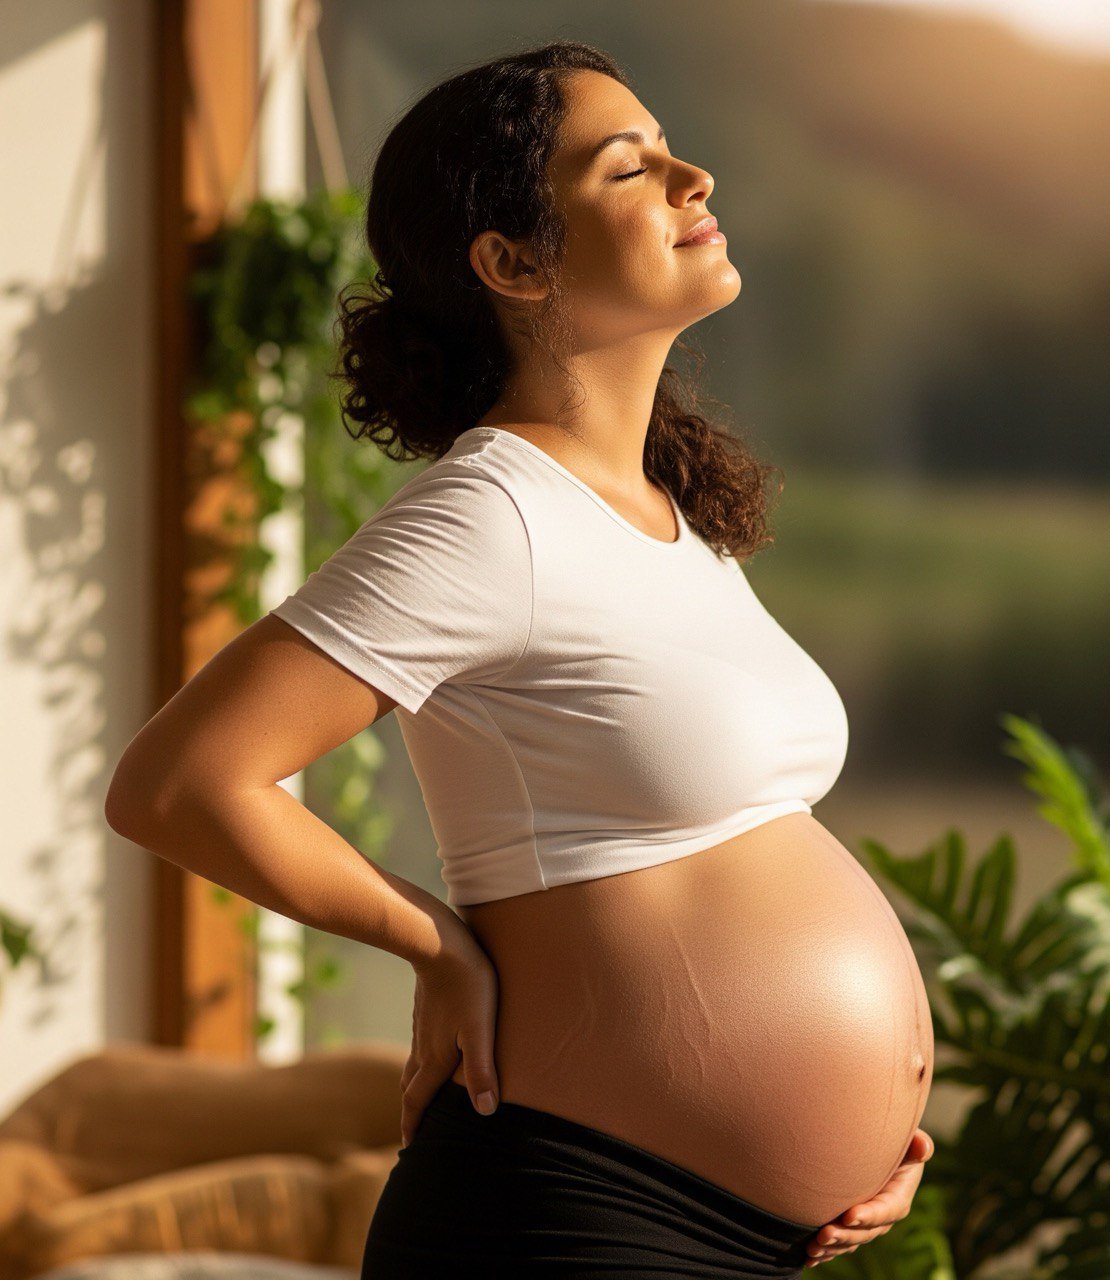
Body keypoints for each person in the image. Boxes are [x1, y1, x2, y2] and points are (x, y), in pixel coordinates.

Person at [105, 39, 934, 1279]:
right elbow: (179, 782)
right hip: (564, 1215)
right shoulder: (491, 515)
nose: (691, 177)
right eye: (630, 166)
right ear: (511, 261)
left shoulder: (671, 509)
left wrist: (854, 1134)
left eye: (670, 150)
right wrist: (433, 943)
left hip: (736, 1233)